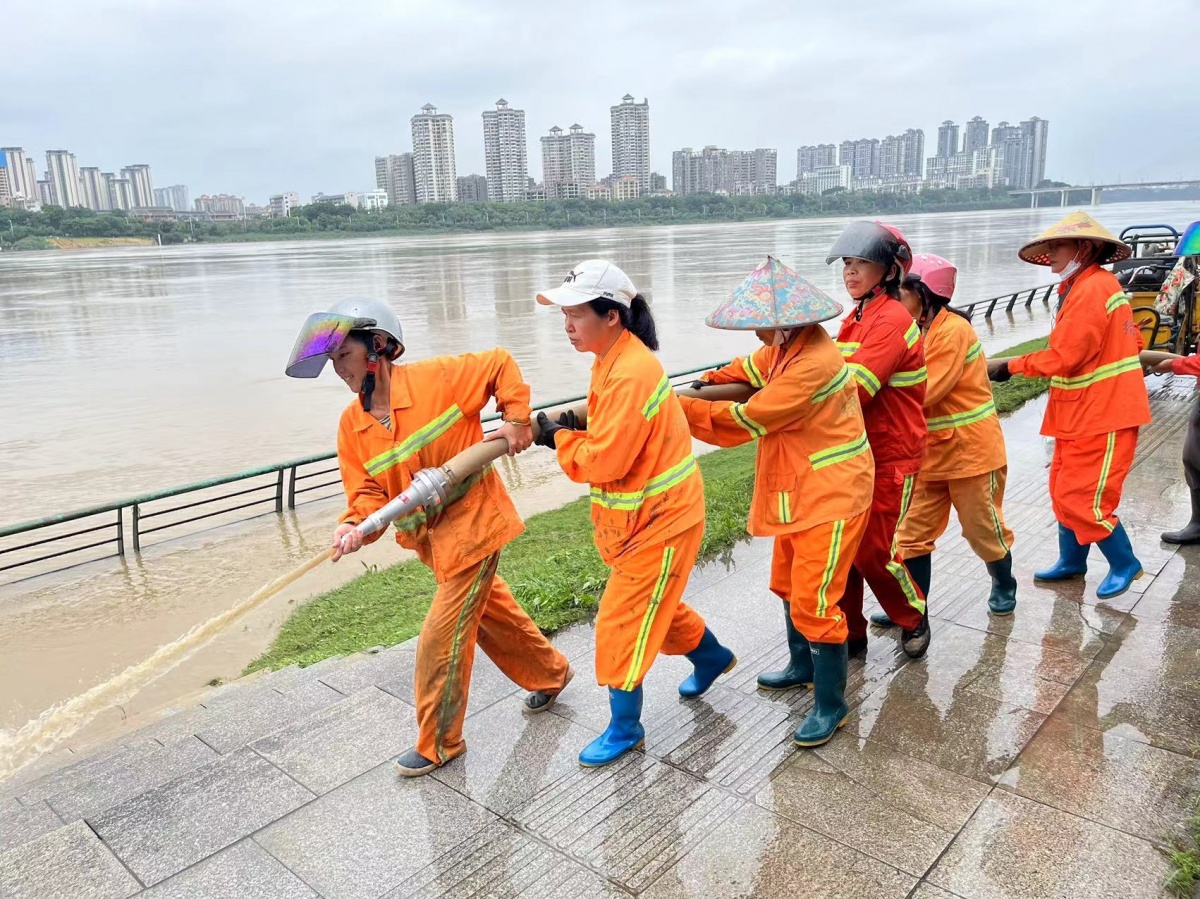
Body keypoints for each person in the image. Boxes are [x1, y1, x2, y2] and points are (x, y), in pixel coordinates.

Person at [285, 297, 572, 777]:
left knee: (440, 637)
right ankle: (551, 672)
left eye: (344, 357)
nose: (339, 370)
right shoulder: (352, 426)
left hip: (476, 523)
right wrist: (353, 524)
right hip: (432, 543)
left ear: (377, 347)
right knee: (491, 617)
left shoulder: (437, 380)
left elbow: (499, 362)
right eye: (333, 361)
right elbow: (368, 492)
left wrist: (517, 417)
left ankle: (439, 741)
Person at [533, 260, 736, 768]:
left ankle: (626, 726)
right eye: (566, 316)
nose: (568, 327)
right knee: (656, 607)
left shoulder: (629, 371)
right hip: (642, 521)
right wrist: (569, 427)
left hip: (662, 522)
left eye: (577, 315)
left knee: (620, 621)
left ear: (613, 317)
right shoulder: (613, 359)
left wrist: (558, 436)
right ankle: (711, 657)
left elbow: (604, 459)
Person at [680, 256, 874, 747]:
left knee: (815, 599)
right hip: (799, 488)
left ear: (785, 325)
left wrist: (677, 407)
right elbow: (747, 368)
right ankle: (801, 666)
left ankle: (832, 704)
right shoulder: (786, 349)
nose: (757, 335)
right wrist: (706, 382)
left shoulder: (813, 363)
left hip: (833, 493)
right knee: (788, 584)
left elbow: (748, 419)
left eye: (762, 326)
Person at [988, 212, 1150, 599]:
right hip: (1080, 412)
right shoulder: (1083, 287)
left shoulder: (1092, 289)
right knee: (1063, 490)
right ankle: (1073, 561)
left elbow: (1065, 357)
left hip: (1103, 412)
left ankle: (1125, 563)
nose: (1052, 255)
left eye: (1057, 246)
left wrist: (1007, 366)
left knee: (1085, 497)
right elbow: (1132, 344)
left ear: (1085, 248)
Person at [869, 254, 1016, 626]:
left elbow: (927, 390)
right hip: (926, 454)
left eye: (900, 288)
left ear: (925, 292)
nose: (893, 295)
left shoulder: (953, 331)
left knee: (982, 528)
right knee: (911, 535)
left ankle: (1003, 582)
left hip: (971, 451)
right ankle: (914, 607)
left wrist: (870, 391)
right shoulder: (910, 328)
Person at [827, 221, 931, 659]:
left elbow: (855, 387)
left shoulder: (890, 320)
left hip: (891, 452)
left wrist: (788, 393)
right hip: (855, 451)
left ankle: (913, 614)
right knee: (844, 550)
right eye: (847, 264)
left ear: (889, 272)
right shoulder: (855, 316)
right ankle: (851, 634)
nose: (850, 273)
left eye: (862, 264)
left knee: (873, 552)